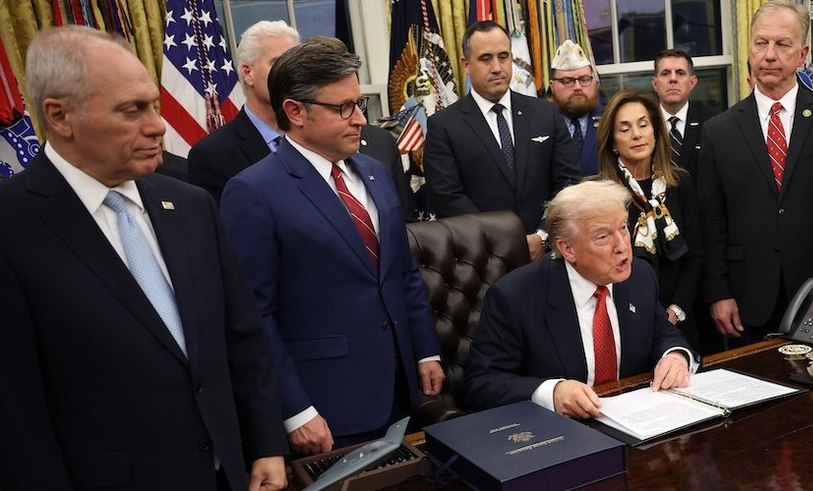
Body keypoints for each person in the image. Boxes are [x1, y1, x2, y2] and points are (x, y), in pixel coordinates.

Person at [0, 26, 286, 490]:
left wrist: (266, 443)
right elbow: (15, 415)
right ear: (60, 116)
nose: (157, 125)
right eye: (131, 110)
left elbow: (241, 338)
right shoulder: (11, 227)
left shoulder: (191, 204)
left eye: (154, 104)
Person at [220, 39, 444, 454]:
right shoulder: (253, 192)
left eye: (358, 103)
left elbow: (401, 272)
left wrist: (426, 349)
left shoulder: (374, 172)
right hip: (326, 406)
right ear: (295, 111)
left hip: (401, 388)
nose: (360, 118)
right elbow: (253, 316)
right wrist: (297, 411)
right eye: (343, 107)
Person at [698, 0, 813, 347]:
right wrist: (718, 293)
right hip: (746, 302)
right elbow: (712, 222)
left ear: (802, 54)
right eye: (761, 43)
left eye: (782, 44)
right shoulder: (718, 131)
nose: (769, 54)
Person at [461, 180, 695, 417]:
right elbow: (481, 384)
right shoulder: (515, 296)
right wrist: (552, 392)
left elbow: (663, 333)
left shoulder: (640, 276)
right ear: (568, 249)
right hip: (558, 434)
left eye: (623, 228)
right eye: (603, 237)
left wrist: (674, 355)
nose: (622, 246)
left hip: (637, 422)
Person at [187, 22, 408, 211]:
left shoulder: (356, 150)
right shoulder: (213, 156)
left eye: (297, 62)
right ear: (248, 72)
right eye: (279, 62)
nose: (291, 71)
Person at [423, 21, 580, 259]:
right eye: (486, 58)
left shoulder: (546, 114)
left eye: (503, 56)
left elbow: (567, 183)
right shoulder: (444, 126)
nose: (497, 67)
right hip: (484, 262)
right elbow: (447, 199)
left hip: (549, 255)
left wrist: (542, 235)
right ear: (466, 65)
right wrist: (503, 241)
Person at [595, 89, 704, 351]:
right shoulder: (600, 194)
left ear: (656, 131)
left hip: (678, 318)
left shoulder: (680, 183)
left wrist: (676, 310)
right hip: (623, 320)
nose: (636, 134)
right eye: (625, 129)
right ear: (612, 141)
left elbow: (696, 255)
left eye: (643, 125)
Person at [650, 49, 719, 175]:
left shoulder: (713, 122)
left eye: (680, 73)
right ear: (655, 84)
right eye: (665, 73)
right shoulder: (644, 122)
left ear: (692, 82)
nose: (673, 79)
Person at [549, 40, 605, 176]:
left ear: (595, 83)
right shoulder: (539, 124)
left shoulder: (611, 120)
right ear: (552, 86)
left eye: (585, 79)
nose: (578, 87)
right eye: (567, 81)